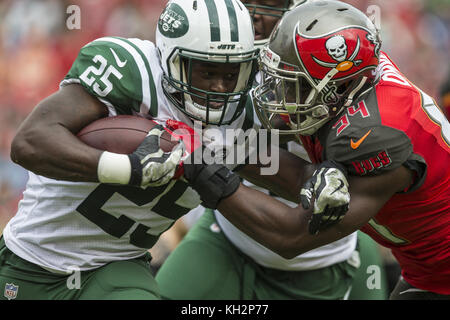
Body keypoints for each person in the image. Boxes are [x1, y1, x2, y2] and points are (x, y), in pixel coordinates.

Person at [177, 0, 450, 299]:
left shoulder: (374, 134)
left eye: (294, 85)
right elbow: (304, 181)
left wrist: (203, 171)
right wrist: (219, 148)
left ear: (340, 87)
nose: (277, 93)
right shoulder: (353, 85)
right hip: (426, 272)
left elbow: (292, 236)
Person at [0, 0, 264, 300]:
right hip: (29, 261)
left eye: (231, 74)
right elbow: (28, 143)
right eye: (206, 71)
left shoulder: (243, 119)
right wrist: (129, 169)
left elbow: (291, 216)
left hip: (116, 267)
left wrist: (322, 180)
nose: (219, 87)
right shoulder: (133, 72)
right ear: (171, 58)